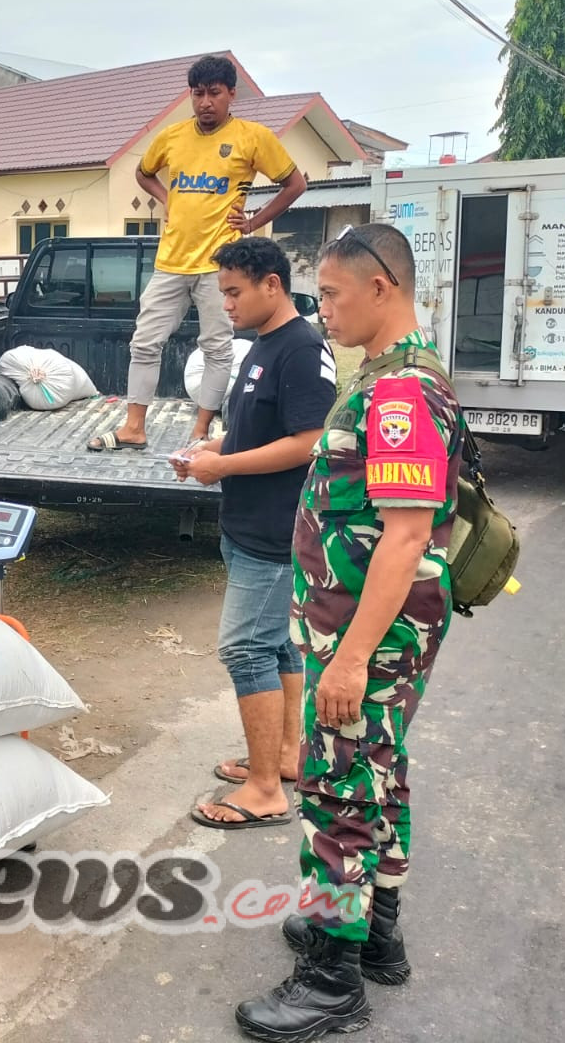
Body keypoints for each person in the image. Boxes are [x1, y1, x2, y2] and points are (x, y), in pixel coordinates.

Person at [234, 224, 462, 1041]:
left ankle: (332, 975)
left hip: (369, 638)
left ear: (381, 288)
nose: (319, 307)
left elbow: (405, 535)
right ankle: (377, 933)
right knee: (377, 774)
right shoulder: (396, 376)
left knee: (336, 795)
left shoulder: (399, 393)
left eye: (330, 293)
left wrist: (350, 661)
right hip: (374, 633)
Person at [170, 238, 335, 831]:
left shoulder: (302, 347)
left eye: (235, 293)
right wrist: (208, 451)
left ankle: (266, 789)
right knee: (278, 645)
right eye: (222, 294)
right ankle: (285, 757)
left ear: (272, 284)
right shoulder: (263, 344)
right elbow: (255, 430)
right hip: (246, 524)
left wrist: (225, 467)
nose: (227, 305)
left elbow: (309, 440)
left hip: (275, 532)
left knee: (244, 648)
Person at [89, 54, 307, 454]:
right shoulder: (172, 137)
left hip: (219, 266)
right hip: (171, 261)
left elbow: (295, 184)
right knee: (144, 342)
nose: (205, 102)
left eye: (214, 93)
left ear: (230, 95)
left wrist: (255, 222)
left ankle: (200, 433)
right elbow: (143, 172)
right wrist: (165, 196)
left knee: (216, 349)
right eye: (198, 94)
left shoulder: (252, 137)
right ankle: (134, 427)